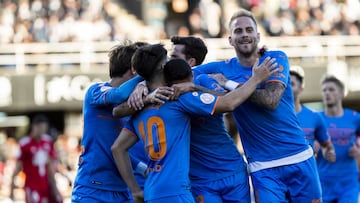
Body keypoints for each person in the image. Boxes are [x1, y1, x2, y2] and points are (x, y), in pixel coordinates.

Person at [111, 44, 277, 203]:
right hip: (178, 190)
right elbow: (228, 103)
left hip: (153, 189)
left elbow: (117, 147)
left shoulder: (139, 107)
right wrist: (256, 79)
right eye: (168, 59)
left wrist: (134, 189)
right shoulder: (177, 98)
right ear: (162, 66)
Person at [193, 9, 323, 202]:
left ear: (257, 35)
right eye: (238, 31)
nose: (244, 34)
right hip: (263, 168)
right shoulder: (221, 68)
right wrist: (143, 84)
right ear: (230, 39)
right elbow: (174, 74)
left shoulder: (274, 59)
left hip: (298, 158)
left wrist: (228, 84)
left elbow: (271, 100)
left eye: (248, 29)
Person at [169, 35, 251, 202]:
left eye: (174, 57)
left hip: (231, 170)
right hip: (201, 179)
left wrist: (195, 88)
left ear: (190, 62)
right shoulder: (164, 88)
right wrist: (140, 85)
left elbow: (226, 97)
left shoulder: (203, 80)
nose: (168, 61)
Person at [71, 41, 148, 203]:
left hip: (121, 191)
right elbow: (118, 94)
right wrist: (146, 75)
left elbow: (118, 151)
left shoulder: (129, 106)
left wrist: (145, 170)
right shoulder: (95, 91)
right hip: (92, 189)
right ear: (134, 70)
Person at [317, 75, 360, 203]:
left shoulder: (355, 118)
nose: (327, 93)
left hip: (348, 182)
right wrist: (311, 146)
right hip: (323, 181)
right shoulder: (316, 119)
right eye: (324, 90)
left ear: (341, 93)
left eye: (331, 89)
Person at [10, 114, 63, 203]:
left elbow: (50, 168)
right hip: (32, 186)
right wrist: (11, 189)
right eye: (40, 127)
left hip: (46, 185)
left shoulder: (47, 141)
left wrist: (55, 189)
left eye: (44, 127)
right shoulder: (24, 144)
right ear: (34, 126)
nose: (42, 130)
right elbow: (17, 168)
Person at [290, 65, 336, 162]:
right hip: (281, 175)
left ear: (301, 89)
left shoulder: (314, 117)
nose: (287, 87)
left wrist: (327, 153)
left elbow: (327, 146)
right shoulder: (272, 116)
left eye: (292, 84)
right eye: (285, 83)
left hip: (307, 175)